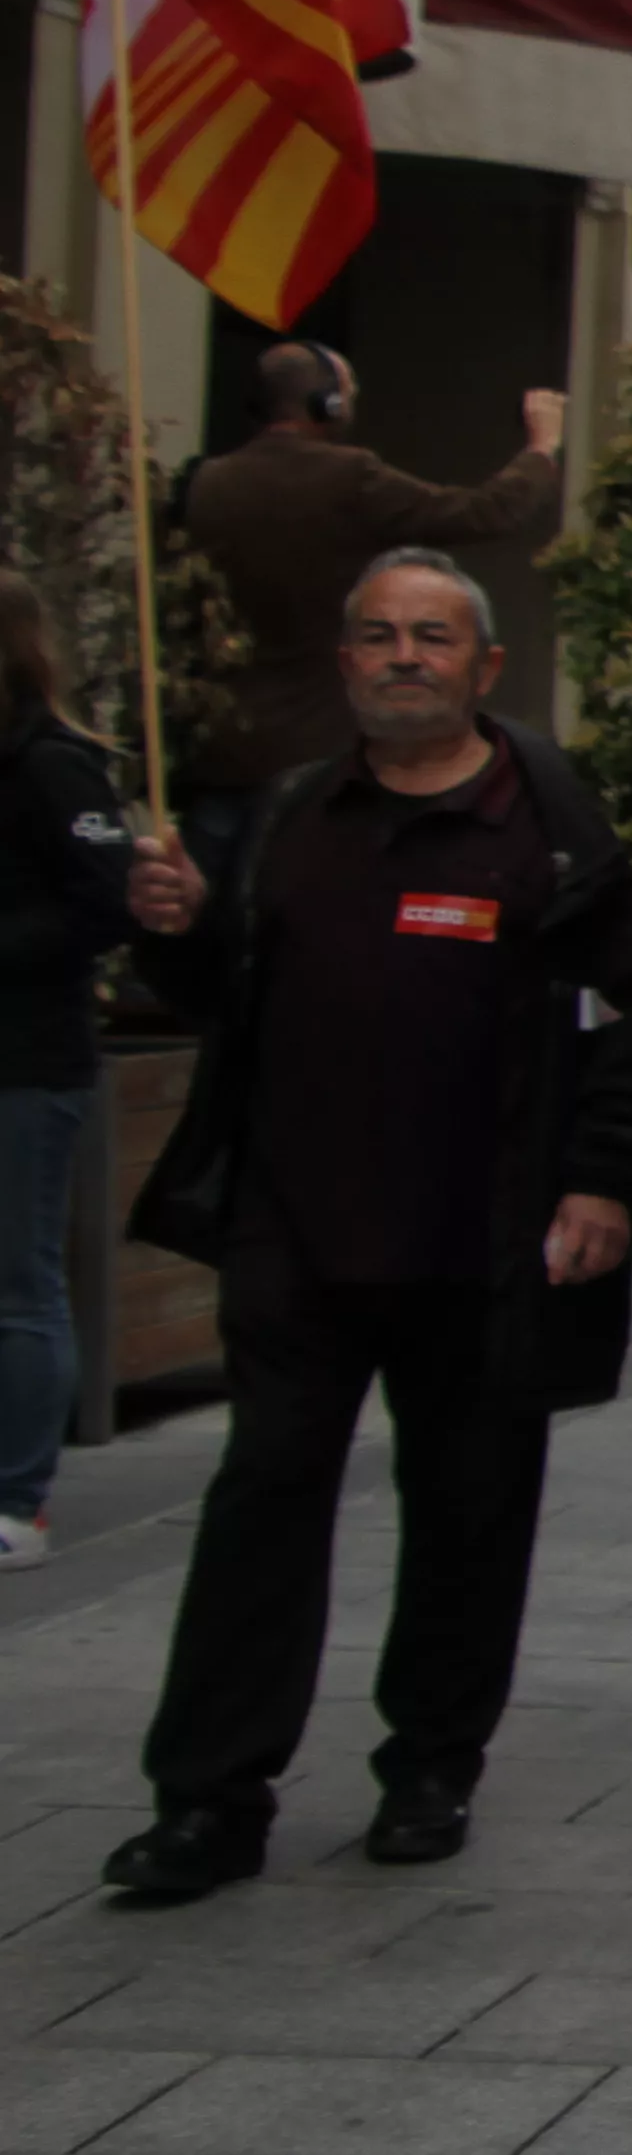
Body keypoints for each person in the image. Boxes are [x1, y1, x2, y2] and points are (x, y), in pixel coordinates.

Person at [101, 552, 632, 1898]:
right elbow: (223, 999)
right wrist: (178, 934)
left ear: (484, 668)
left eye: (432, 637)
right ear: (347, 661)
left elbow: (630, 1017)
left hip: (486, 1247)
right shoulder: (294, 819)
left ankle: (430, 1765)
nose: (403, 656)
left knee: (471, 1512)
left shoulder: (545, 827)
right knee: (261, 1504)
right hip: (299, 1242)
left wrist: (603, 1182)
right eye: (377, 636)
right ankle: (208, 1799)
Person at [178, 343, 566, 800]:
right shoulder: (350, 476)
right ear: (329, 404)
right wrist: (541, 448)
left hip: (219, 751)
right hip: (317, 750)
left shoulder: (205, 483)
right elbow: (486, 513)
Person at [0, 571, 135, 1572]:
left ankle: (15, 1499)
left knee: (19, 1281)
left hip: (24, 1061)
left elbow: (105, 906)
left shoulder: (54, 766)